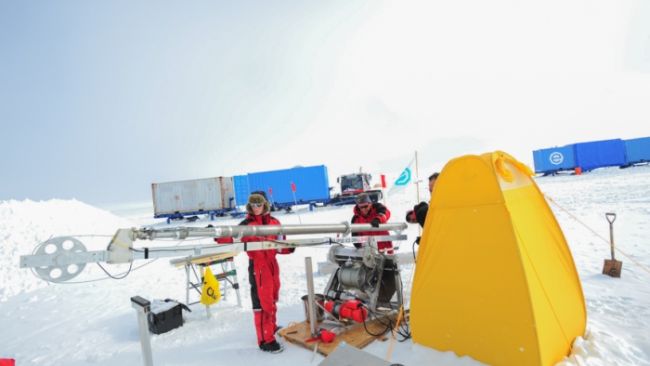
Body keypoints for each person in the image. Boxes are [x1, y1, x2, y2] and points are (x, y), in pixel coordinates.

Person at [215, 192, 293, 353]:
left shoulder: (274, 222)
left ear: (265, 204)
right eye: (253, 205)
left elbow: (282, 244)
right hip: (258, 268)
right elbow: (230, 237)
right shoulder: (246, 225)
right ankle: (265, 340)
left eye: (259, 204)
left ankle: (271, 327)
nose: (256, 208)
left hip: (272, 265)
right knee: (262, 303)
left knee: (272, 299)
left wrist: (289, 247)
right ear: (249, 206)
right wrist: (217, 234)